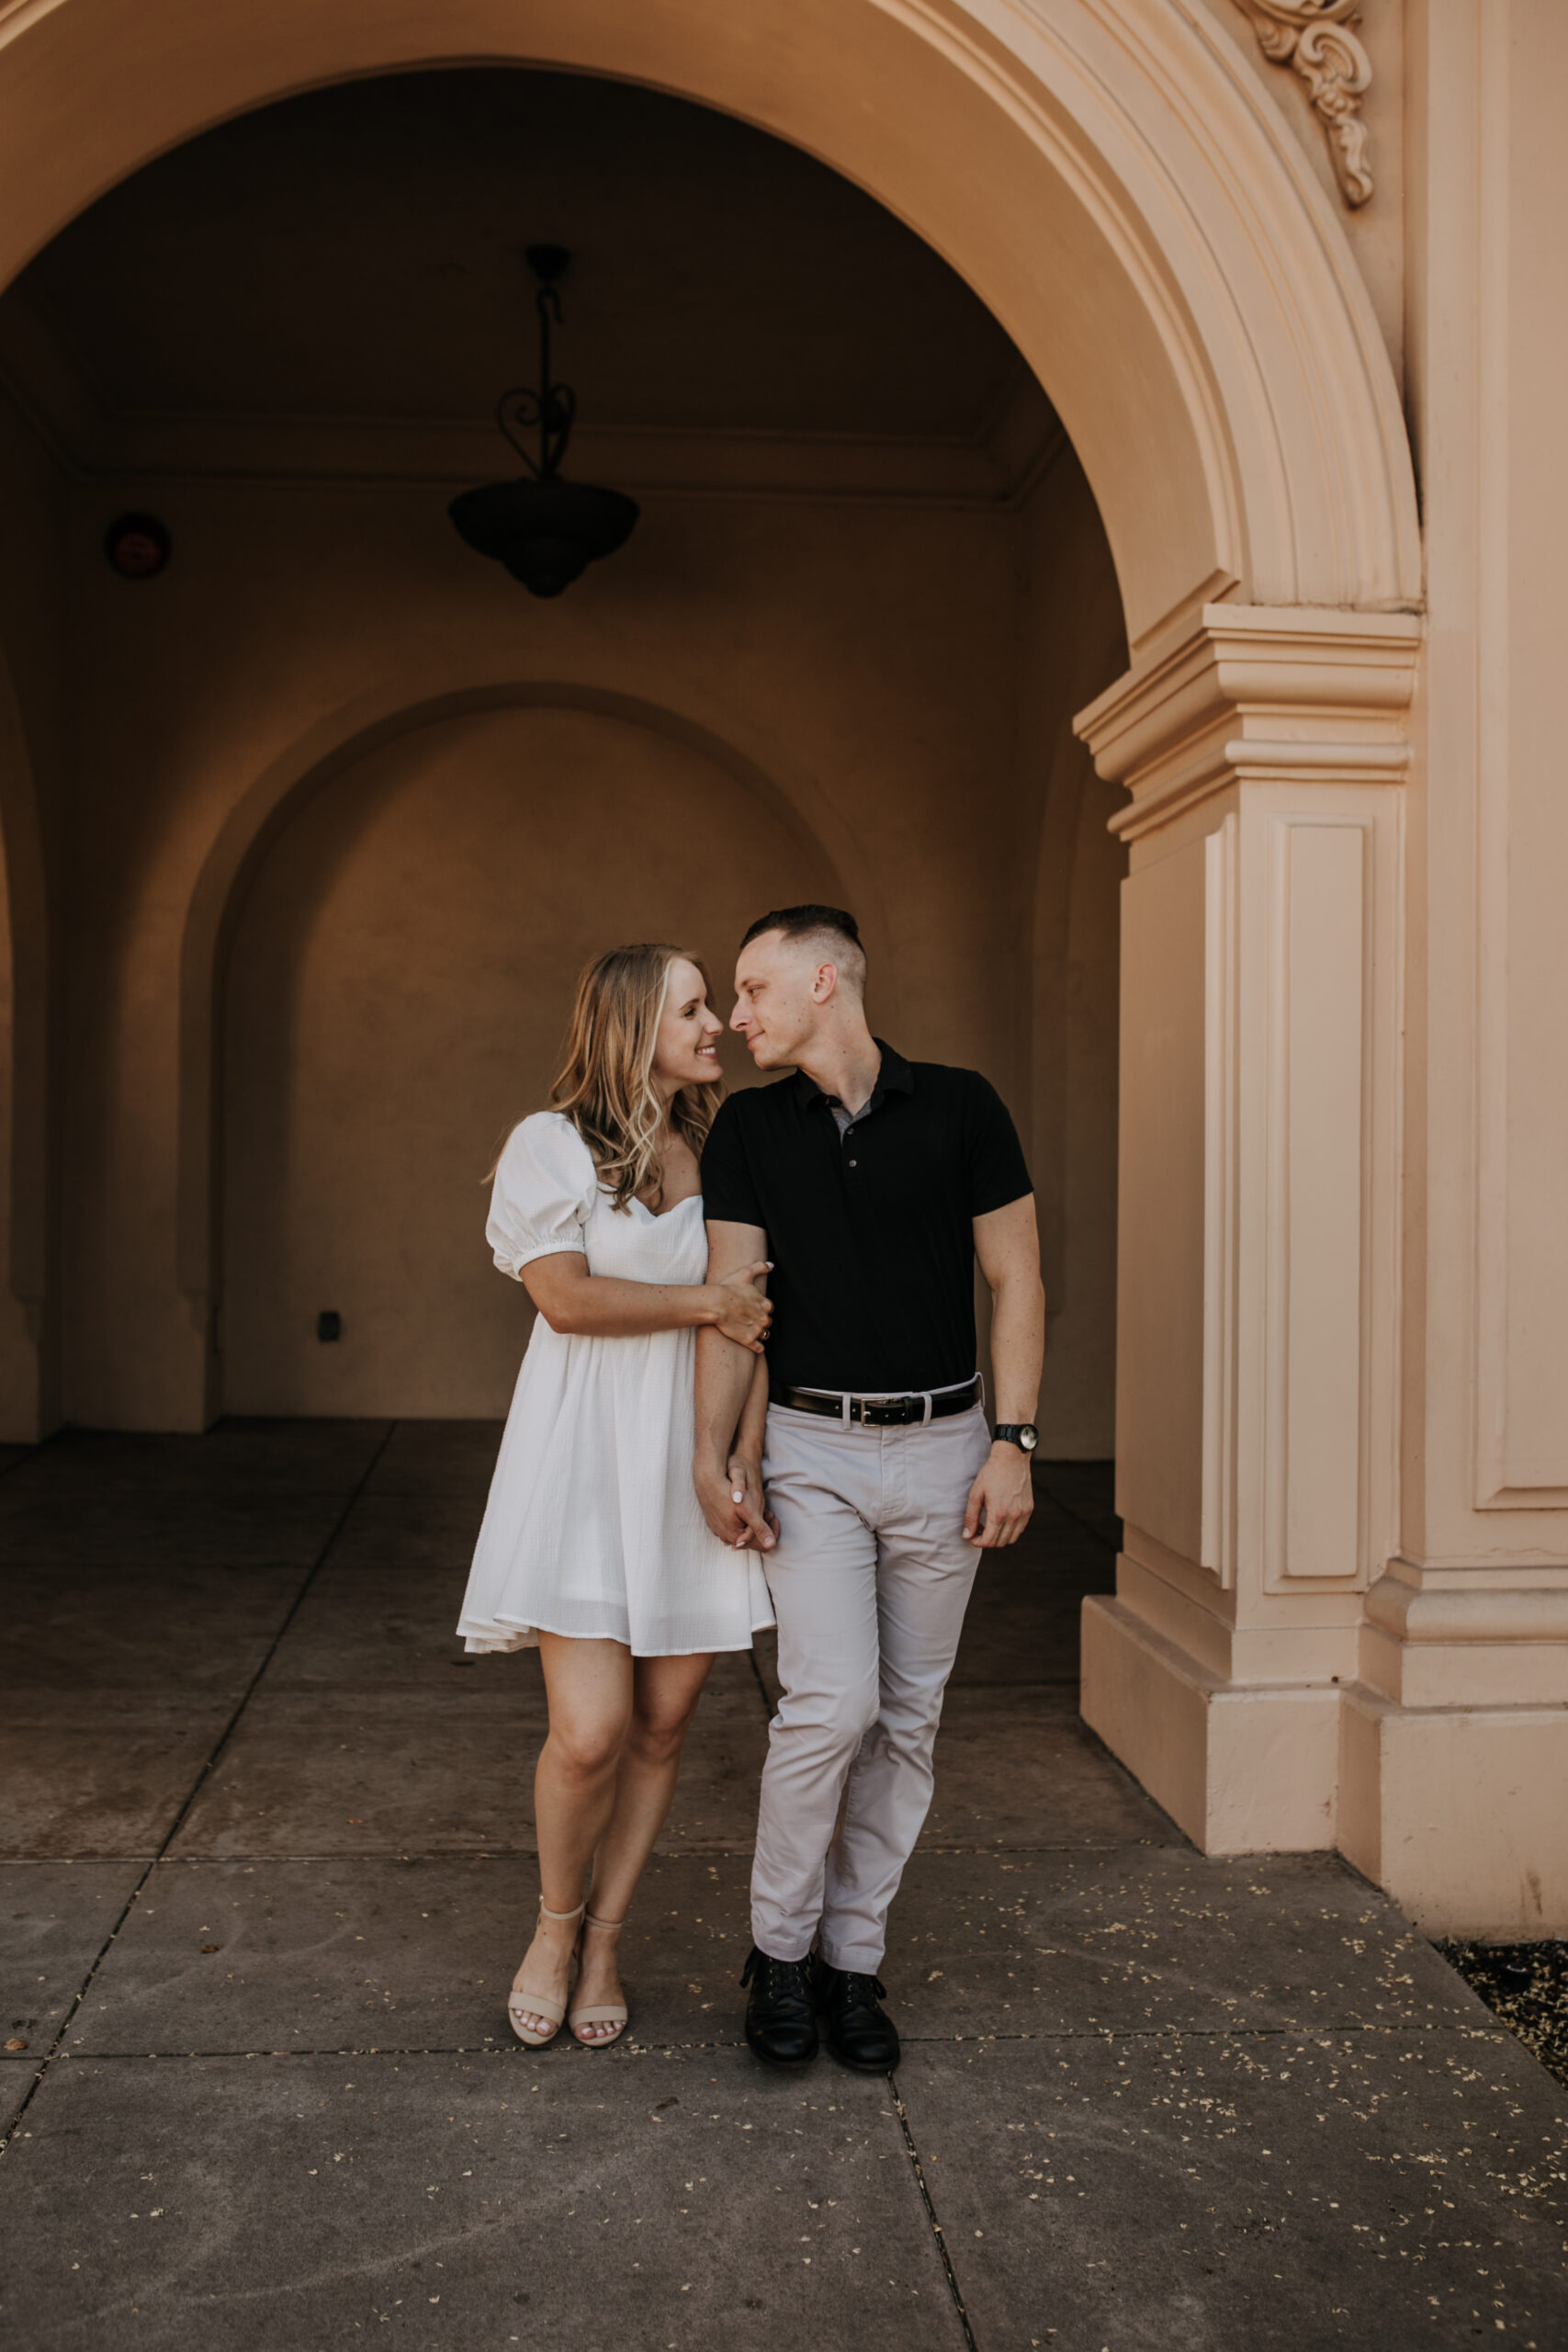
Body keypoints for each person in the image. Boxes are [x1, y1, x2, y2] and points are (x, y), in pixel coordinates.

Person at [694, 906, 1044, 2073]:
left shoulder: (961, 1106)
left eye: (753, 987)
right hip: (813, 1451)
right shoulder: (747, 1127)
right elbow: (737, 1303)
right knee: (829, 1706)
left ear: (826, 979)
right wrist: (720, 1448)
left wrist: (1017, 1442)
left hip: (950, 1449)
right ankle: (779, 1955)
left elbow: (1019, 1276)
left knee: (908, 1720)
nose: (738, 1013)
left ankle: (853, 1961)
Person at [457, 944, 776, 2049]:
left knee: (664, 1721)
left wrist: (743, 1447)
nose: (717, 1026)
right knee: (589, 1732)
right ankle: (551, 1926)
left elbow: (758, 1321)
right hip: (589, 1458)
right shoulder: (548, 1147)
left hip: (689, 1457)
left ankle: (605, 1941)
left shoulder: (721, 1147)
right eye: (693, 1008)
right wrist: (705, 1304)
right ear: (634, 1024)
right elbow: (568, 1302)